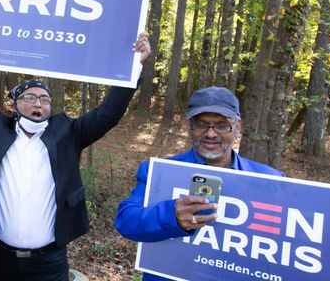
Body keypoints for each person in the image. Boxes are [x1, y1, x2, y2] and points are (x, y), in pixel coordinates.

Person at [0, 33, 151, 281]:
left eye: (45, 99)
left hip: (50, 260)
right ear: (14, 105)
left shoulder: (69, 133)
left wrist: (135, 65)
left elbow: (108, 113)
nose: (39, 103)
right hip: (3, 258)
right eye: (30, 97)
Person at [114, 86, 283, 281]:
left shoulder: (271, 180)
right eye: (201, 124)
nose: (211, 134)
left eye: (221, 125)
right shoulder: (160, 172)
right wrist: (171, 216)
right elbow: (126, 221)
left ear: (237, 127)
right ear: (189, 126)